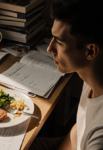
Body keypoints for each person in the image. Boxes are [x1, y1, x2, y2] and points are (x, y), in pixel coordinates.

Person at [29, 0, 103, 149]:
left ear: (90, 51)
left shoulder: (98, 138)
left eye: (59, 42)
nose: (50, 49)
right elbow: (78, 135)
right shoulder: (91, 80)